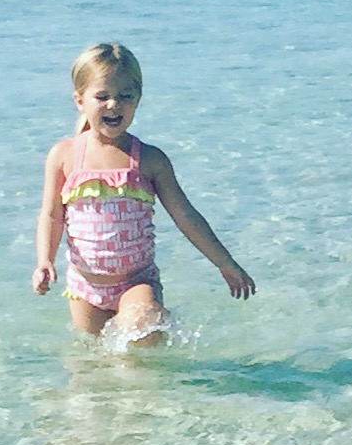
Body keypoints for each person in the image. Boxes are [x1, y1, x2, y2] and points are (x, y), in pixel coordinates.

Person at [33, 40, 255, 340]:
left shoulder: (149, 160)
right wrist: (44, 260)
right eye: (102, 96)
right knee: (93, 361)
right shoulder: (64, 156)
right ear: (80, 100)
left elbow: (186, 216)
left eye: (125, 96)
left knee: (142, 333)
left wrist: (224, 263)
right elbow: (51, 215)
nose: (114, 104)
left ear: (138, 99)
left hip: (136, 282)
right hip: (84, 286)